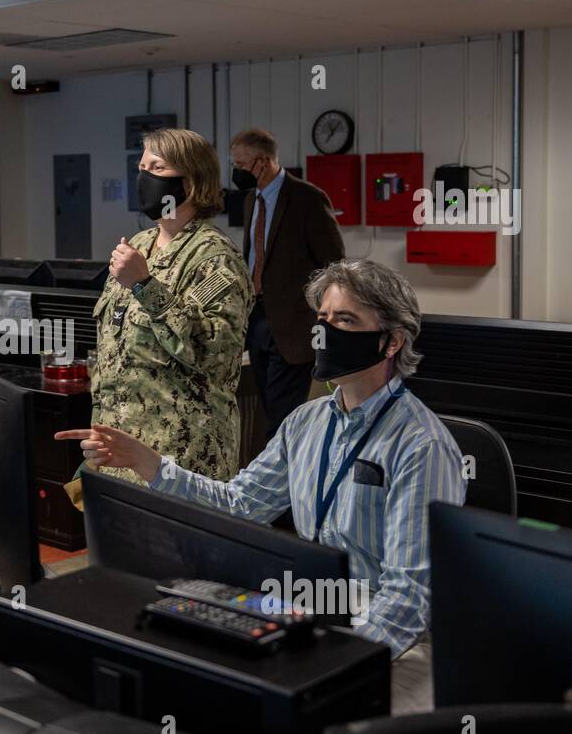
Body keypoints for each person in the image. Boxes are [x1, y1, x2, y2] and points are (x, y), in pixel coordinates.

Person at [59, 260, 464, 698]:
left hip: (392, 647)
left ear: (391, 343)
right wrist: (149, 464)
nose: (325, 332)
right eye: (323, 319)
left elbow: (406, 600)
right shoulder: (306, 423)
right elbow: (239, 505)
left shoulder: (421, 446)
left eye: (346, 320)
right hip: (314, 615)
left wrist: (333, 665)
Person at [90, 127, 252, 486]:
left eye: (157, 168)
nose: (144, 177)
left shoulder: (215, 258)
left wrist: (146, 286)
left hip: (182, 459)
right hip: (121, 454)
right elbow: (111, 354)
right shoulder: (139, 245)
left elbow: (213, 357)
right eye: (142, 167)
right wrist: (99, 433)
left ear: (191, 181)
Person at [231, 128, 344, 439]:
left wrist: (323, 317)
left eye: (241, 165)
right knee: (270, 407)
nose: (236, 172)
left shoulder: (306, 197)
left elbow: (333, 263)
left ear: (263, 162)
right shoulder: (251, 200)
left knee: (282, 419)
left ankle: (283, 482)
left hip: (294, 324)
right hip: (257, 319)